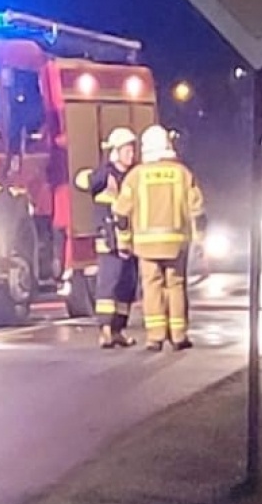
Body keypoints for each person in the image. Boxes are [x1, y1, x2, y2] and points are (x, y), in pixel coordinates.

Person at [113, 124, 206, 351]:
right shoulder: (183, 173)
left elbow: (121, 213)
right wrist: (199, 240)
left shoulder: (135, 176)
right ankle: (179, 336)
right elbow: (198, 211)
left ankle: (155, 337)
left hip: (145, 246)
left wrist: (123, 242)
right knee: (176, 286)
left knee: (151, 288)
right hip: (176, 245)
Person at [87, 127, 140, 348]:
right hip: (109, 239)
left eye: (132, 149)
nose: (131, 153)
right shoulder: (104, 174)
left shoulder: (135, 175)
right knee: (108, 284)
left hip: (130, 238)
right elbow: (87, 182)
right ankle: (105, 329)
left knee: (127, 286)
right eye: (126, 149)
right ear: (116, 152)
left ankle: (119, 329)